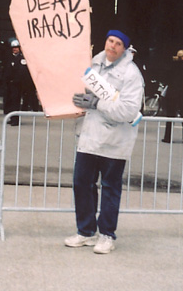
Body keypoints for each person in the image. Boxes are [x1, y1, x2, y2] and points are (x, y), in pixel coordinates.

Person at [64, 29, 144, 254]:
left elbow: (129, 110)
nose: (113, 46)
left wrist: (97, 103)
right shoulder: (92, 64)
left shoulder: (131, 74)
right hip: (89, 138)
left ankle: (107, 235)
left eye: (118, 43)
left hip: (115, 141)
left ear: (125, 48)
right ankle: (86, 232)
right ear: (105, 41)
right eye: (110, 40)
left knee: (110, 188)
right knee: (82, 184)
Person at [162, 49, 183, 143]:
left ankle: (167, 137)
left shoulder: (171, 66)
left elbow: (166, 79)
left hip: (172, 93)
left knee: (170, 116)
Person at [3, 39, 27, 126]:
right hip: (9, 83)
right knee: (9, 101)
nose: (15, 49)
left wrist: (17, 80)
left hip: (17, 84)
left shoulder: (22, 58)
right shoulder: (9, 57)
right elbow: (6, 69)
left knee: (15, 102)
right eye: (13, 48)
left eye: (16, 48)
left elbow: (22, 72)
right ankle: (11, 117)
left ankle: (16, 120)